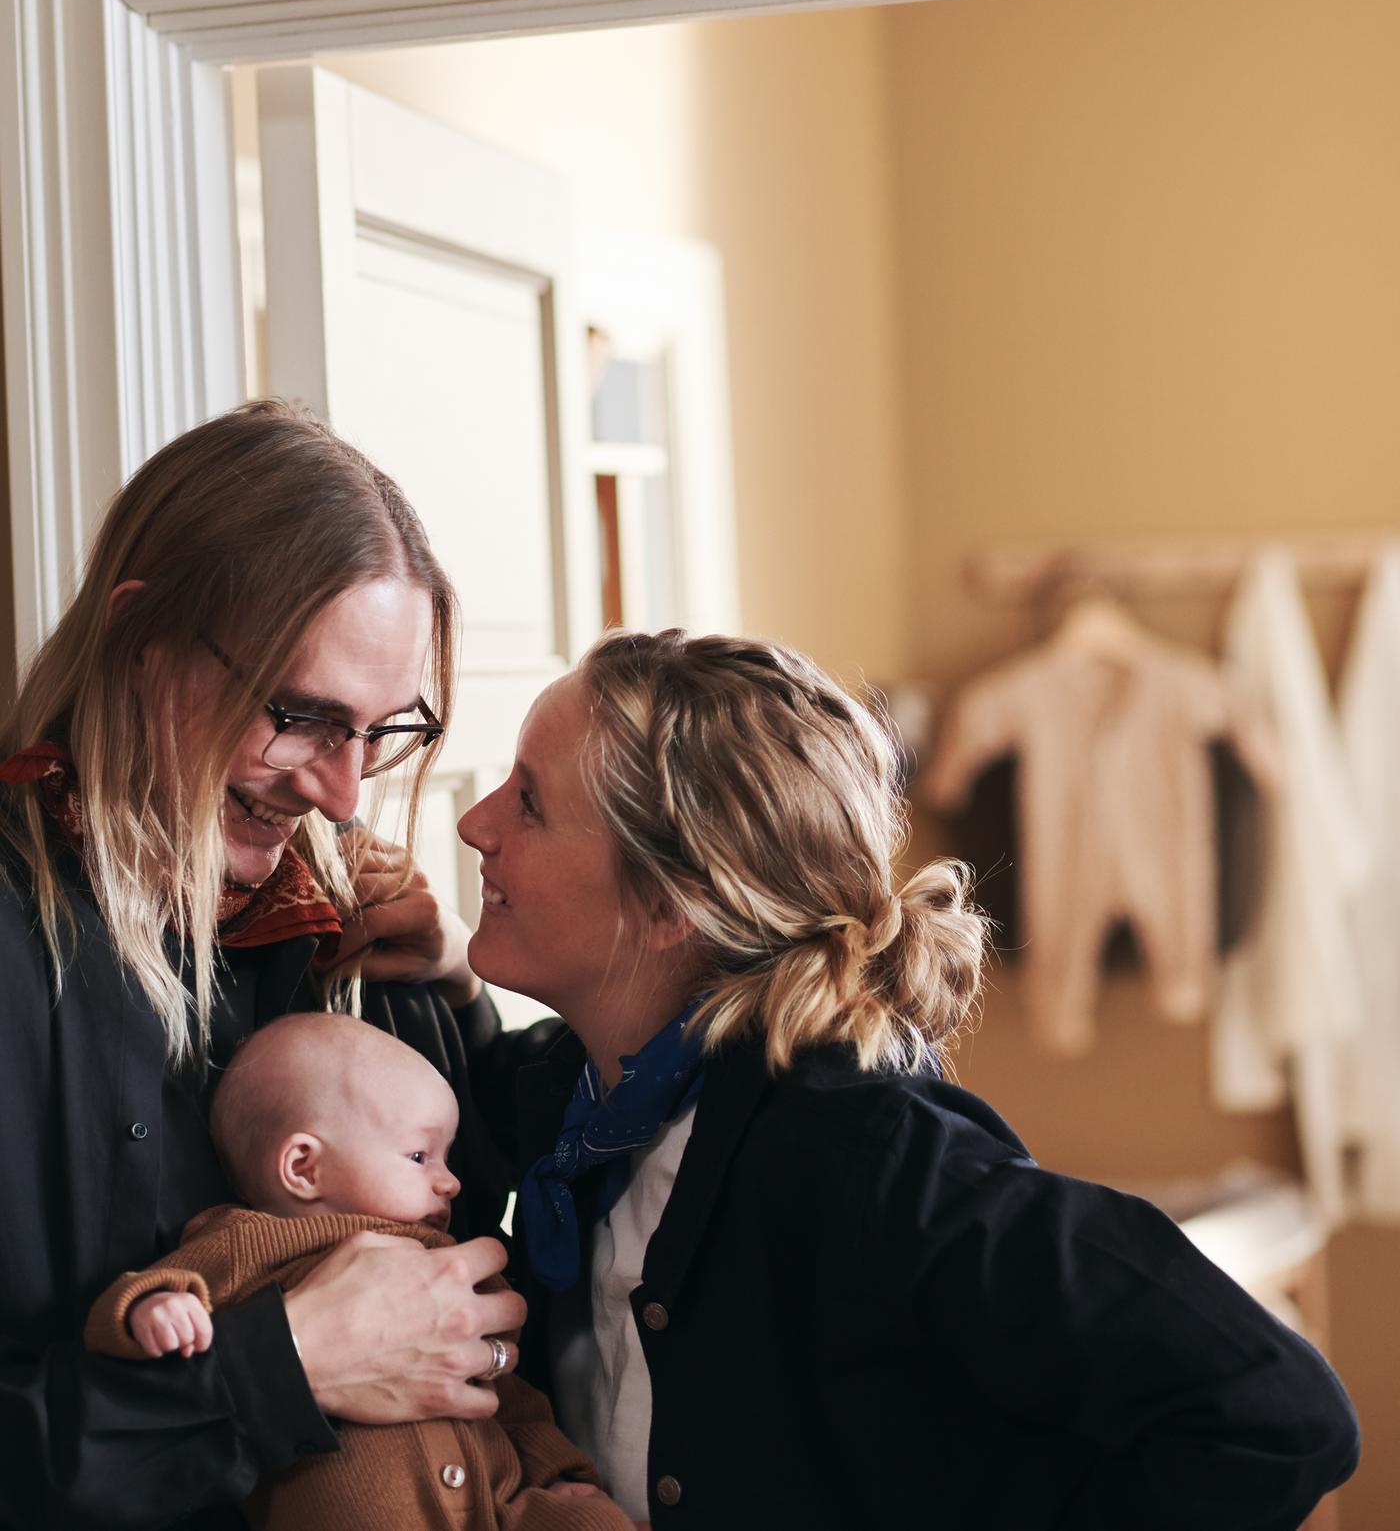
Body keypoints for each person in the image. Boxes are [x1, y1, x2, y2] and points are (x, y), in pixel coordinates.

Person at [458, 629, 1362, 1531]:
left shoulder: (868, 1154)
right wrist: (441, 983)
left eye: (530, 804)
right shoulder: (577, 1100)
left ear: (670, 905)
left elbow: (1276, 1411)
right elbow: (453, 1091)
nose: (475, 823)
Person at [0, 400, 523, 1531]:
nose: (343, 792)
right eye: (299, 717)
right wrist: (277, 1367)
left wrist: (458, 1000)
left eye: (385, 730)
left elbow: (487, 1252)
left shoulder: (364, 938)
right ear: (143, 643)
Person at [85, 1014, 633, 1531]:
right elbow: (140, 1298)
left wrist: (555, 1473)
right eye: (420, 1156)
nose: (450, 1182)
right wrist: (154, 1309)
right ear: (304, 1167)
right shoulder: (244, 1243)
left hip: (496, 1502)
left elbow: (509, 1391)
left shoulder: (444, 1264)